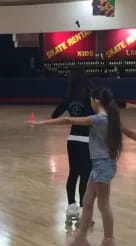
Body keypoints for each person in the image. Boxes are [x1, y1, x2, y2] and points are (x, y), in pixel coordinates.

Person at [29, 88, 136, 246]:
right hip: (99, 165)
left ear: (95, 101)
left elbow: (68, 119)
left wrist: (42, 123)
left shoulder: (100, 119)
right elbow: (130, 133)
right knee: (87, 202)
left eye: (91, 101)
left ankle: (109, 243)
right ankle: (81, 239)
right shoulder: (111, 118)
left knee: (103, 204)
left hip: (103, 166)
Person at [51, 70, 94, 223]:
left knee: (73, 173)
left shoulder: (68, 98)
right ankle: (83, 209)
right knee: (85, 175)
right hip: (86, 141)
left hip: (72, 140)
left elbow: (54, 115)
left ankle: (71, 207)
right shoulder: (89, 99)